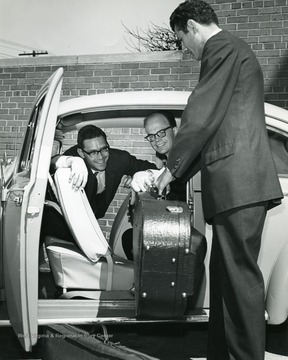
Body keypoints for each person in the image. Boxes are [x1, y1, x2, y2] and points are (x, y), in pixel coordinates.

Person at [141, 1, 283, 360]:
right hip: (236, 187)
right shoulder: (234, 51)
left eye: (182, 40)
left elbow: (201, 114)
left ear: (191, 26)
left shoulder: (221, 48)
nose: (186, 50)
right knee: (225, 278)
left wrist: (171, 169)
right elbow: (217, 123)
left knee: (238, 282)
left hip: (239, 184)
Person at [42, 124, 156, 243]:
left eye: (104, 149)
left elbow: (152, 168)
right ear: (81, 153)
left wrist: (137, 175)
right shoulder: (75, 156)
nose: (101, 157)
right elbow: (51, 163)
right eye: (93, 153)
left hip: (92, 217)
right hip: (60, 220)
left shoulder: (119, 159)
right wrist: (72, 161)